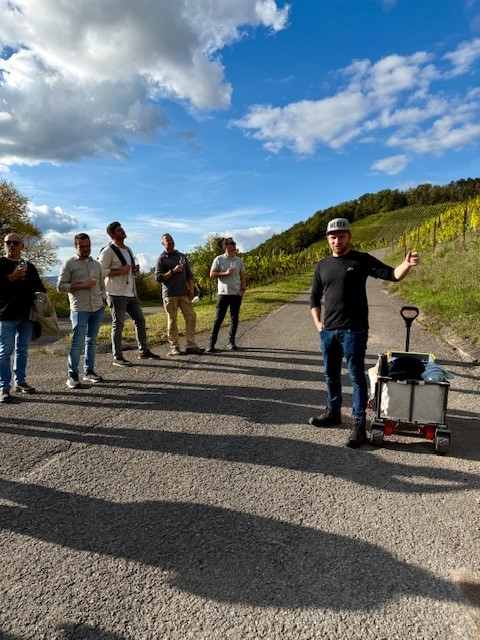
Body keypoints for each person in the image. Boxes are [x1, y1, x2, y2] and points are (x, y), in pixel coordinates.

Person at [309, 217, 420, 448]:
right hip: (329, 331)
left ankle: (358, 423)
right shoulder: (322, 266)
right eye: (333, 237)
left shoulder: (361, 260)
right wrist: (318, 324)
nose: (337, 241)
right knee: (330, 374)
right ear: (328, 239)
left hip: (354, 330)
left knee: (356, 377)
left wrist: (406, 265)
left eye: (341, 236)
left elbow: (392, 274)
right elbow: (314, 298)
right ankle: (333, 412)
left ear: (349, 237)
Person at [99, 222, 160, 366]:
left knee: (140, 321)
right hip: (116, 293)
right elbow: (100, 271)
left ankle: (144, 351)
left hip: (131, 293)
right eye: (119, 230)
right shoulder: (108, 251)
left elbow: (128, 271)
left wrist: (134, 270)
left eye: (122, 229)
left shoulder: (128, 250)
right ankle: (117, 357)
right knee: (118, 325)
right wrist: (120, 271)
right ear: (112, 234)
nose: (122, 231)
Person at [0, 232, 45, 402]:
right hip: (6, 315)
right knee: (5, 352)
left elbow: (40, 289)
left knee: (23, 350)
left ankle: (20, 382)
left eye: (15, 243)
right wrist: (13, 277)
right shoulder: (0, 264)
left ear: (22, 246)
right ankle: (4, 387)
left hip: (27, 316)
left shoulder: (29, 266)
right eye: (8, 242)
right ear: (4, 245)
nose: (11, 245)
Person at [57, 233, 107, 389]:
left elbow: (102, 285)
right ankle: (72, 374)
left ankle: (89, 371)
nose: (86, 249)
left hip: (97, 307)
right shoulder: (69, 264)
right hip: (80, 309)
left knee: (91, 340)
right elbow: (60, 287)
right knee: (77, 343)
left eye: (88, 246)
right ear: (75, 246)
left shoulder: (96, 264)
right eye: (82, 246)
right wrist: (80, 285)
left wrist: (104, 300)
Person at [155, 234, 204, 355]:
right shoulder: (161, 259)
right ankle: (174, 346)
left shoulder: (181, 256)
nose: (170, 242)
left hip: (184, 293)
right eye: (167, 240)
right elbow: (158, 278)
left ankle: (191, 345)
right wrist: (173, 271)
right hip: (170, 294)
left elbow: (189, 275)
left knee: (191, 317)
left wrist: (191, 290)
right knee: (172, 320)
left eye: (171, 239)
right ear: (162, 243)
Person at [206, 237, 247, 352]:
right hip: (223, 294)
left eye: (234, 243)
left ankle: (231, 342)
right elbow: (212, 274)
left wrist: (243, 289)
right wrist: (225, 273)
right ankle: (211, 344)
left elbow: (243, 276)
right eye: (232, 243)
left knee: (234, 318)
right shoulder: (218, 259)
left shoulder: (239, 260)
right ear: (226, 246)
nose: (234, 245)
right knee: (218, 319)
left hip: (236, 294)